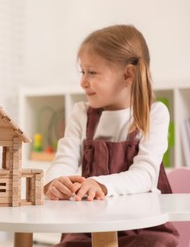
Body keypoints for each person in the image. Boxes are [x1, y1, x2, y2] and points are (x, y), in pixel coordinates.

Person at [44, 25, 179, 246]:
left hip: (143, 228)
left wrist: (101, 185)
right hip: (89, 228)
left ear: (127, 75)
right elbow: (63, 162)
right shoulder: (81, 114)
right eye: (82, 72)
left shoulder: (154, 114)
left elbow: (145, 174)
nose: (83, 81)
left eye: (92, 72)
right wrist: (55, 182)